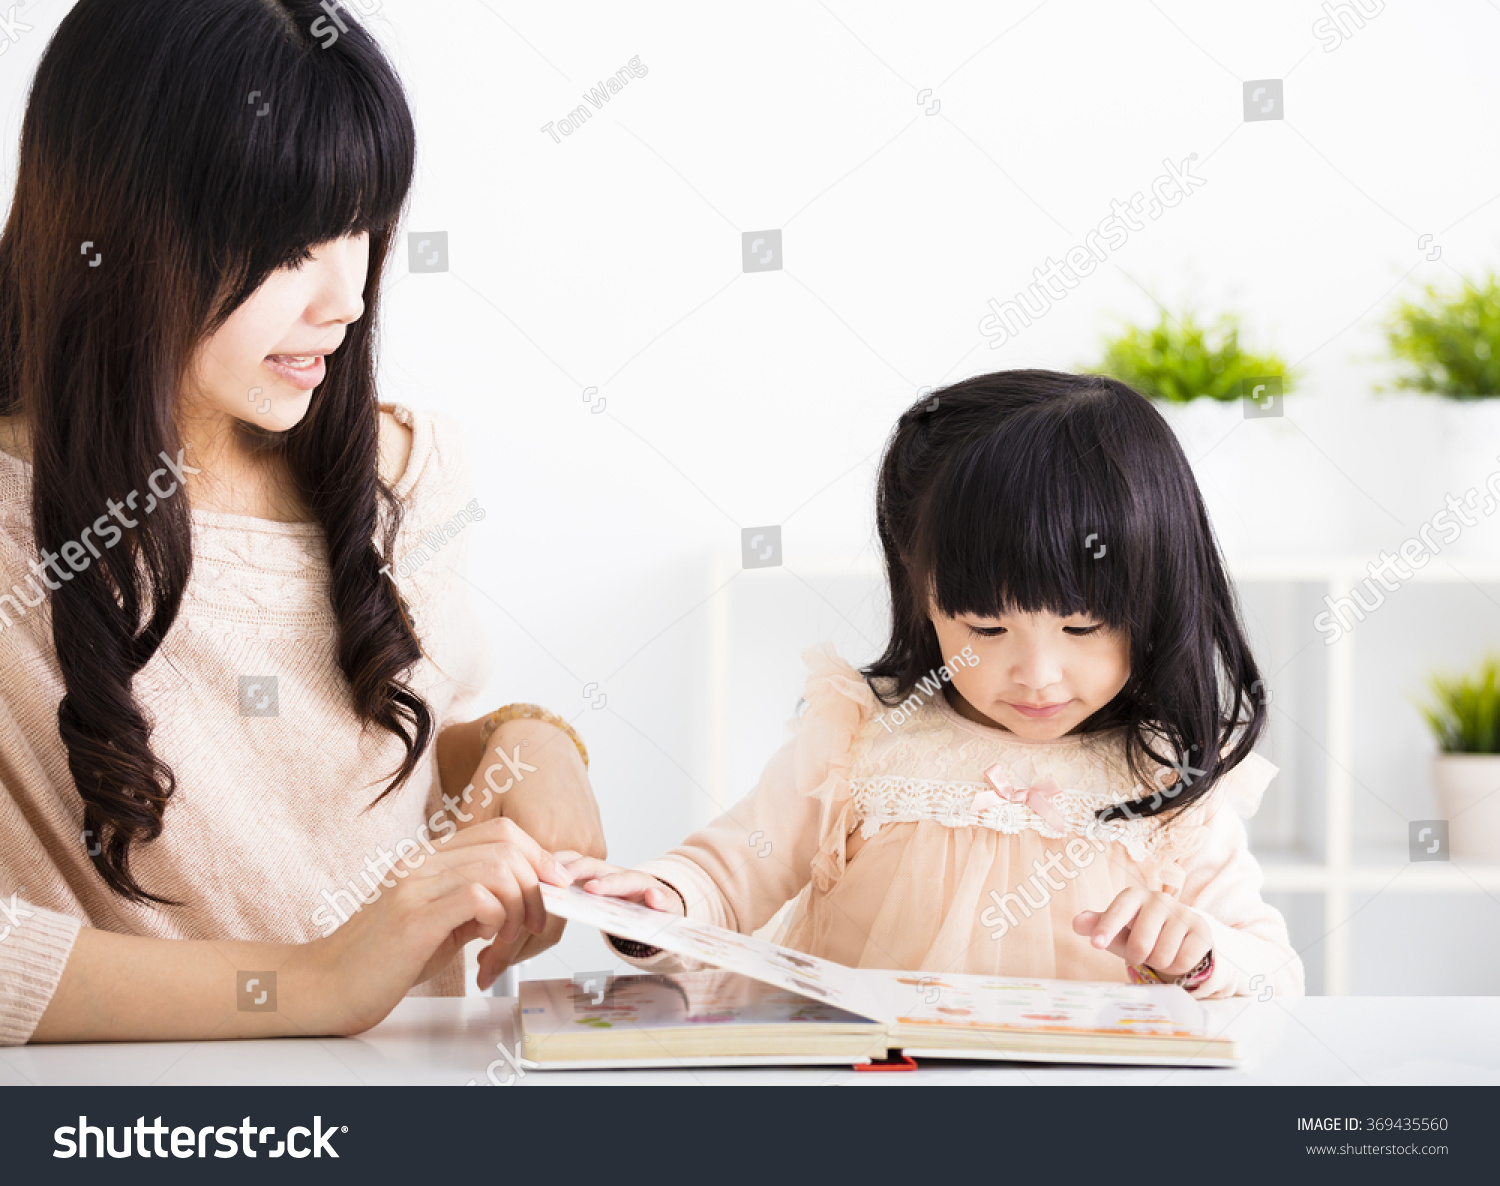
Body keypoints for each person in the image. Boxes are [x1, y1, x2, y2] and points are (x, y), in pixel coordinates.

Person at [0, 0, 603, 1046]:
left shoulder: (405, 467)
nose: (348, 297)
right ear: (117, 230)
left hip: (418, 1097)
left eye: (362, 229)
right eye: (290, 246)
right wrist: (309, 985)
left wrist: (526, 747)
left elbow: (379, 758)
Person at [563, 371, 1304, 998]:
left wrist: (1200, 951)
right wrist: (661, 902)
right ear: (922, 597)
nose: (1037, 674)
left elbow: (1275, 972)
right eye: (986, 628)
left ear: (1155, 601)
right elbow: (734, 870)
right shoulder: (861, 733)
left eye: (1082, 628)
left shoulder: (1168, 774)